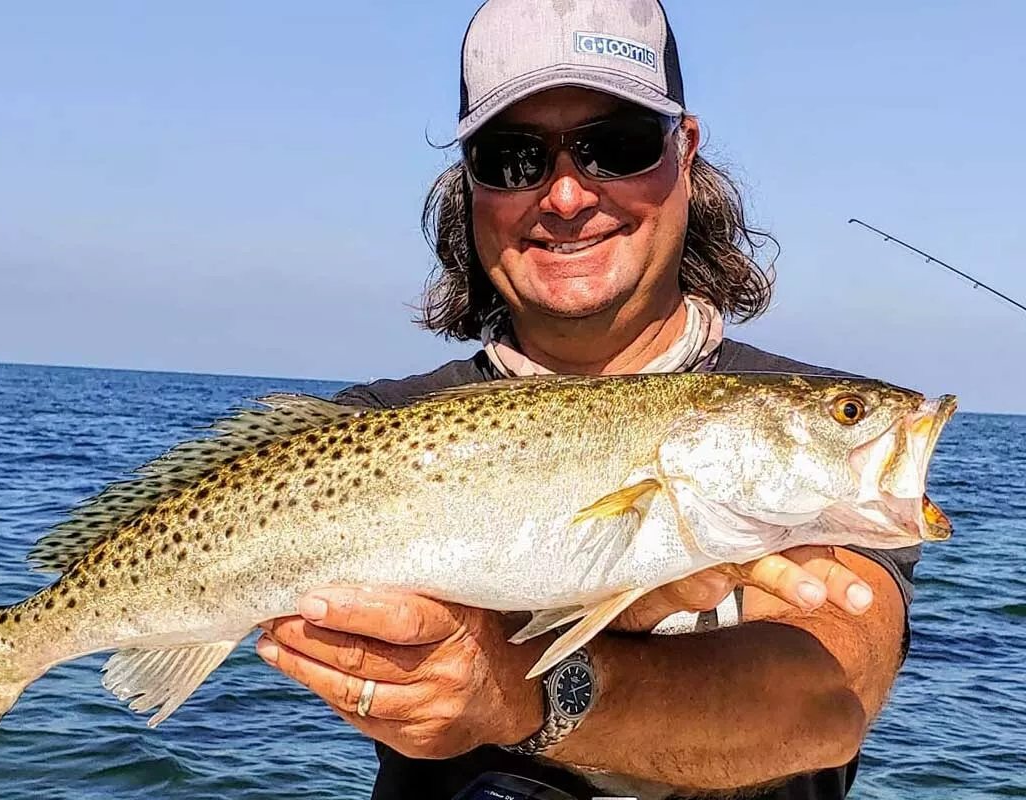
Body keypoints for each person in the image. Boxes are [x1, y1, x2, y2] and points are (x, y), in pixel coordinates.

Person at [255, 1, 919, 797]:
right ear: (468, 182)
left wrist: (522, 692)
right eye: (512, 158)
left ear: (685, 152)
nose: (567, 196)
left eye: (617, 146)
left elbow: (826, 703)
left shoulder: (803, 426)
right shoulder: (368, 435)